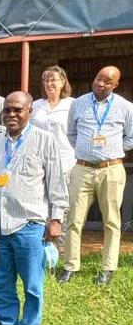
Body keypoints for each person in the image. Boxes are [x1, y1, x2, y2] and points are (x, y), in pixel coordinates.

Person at [0, 91, 68, 325]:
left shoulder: (44, 140)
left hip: (30, 225)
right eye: (7, 110)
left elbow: (56, 182)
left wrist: (56, 218)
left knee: (32, 286)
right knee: (0, 283)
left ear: (30, 110)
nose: (11, 115)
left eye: (18, 110)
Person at [61, 66, 133, 286]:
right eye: (98, 78)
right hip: (82, 168)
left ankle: (107, 268)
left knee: (111, 220)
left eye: (107, 81)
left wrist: (110, 152)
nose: (101, 83)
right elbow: (71, 133)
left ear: (115, 85)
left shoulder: (126, 107)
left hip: (111, 169)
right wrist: (86, 151)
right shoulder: (78, 103)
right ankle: (70, 266)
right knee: (74, 218)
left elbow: (131, 138)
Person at [31, 66, 76, 196]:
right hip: (39, 162)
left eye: (53, 80)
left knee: (64, 202)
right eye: (46, 80)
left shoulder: (72, 104)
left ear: (63, 82)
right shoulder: (36, 105)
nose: (49, 84)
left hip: (66, 162)